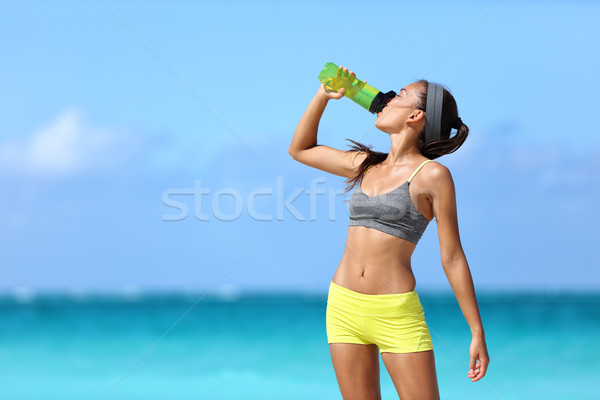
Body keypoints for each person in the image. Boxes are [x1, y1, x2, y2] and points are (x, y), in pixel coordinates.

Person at [288, 66, 489, 400]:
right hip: (343, 306)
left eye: (400, 95)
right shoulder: (365, 164)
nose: (386, 99)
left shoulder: (433, 175)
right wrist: (323, 96)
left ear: (415, 115)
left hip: (395, 312)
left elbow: (452, 256)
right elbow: (301, 149)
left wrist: (476, 331)